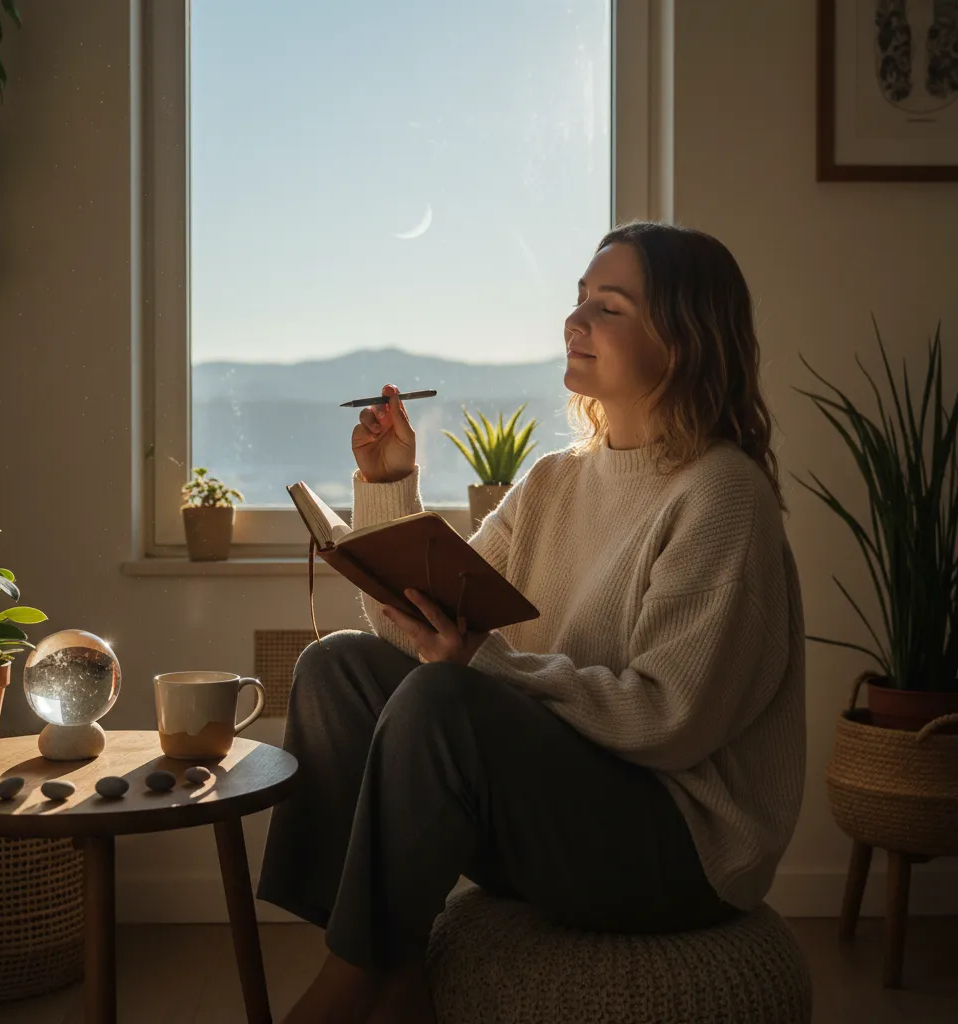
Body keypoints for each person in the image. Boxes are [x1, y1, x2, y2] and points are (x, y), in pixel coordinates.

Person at [257, 221, 806, 1024]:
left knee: (445, 699)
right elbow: (420, 628)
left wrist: (483, 667)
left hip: (675, 849)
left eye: (608, 308)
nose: (574, 324)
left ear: (683, 340)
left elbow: (669, 721)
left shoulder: (720, 495)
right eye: (579, 300)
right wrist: (390, 486)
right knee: (337, 667)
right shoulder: (555, 479)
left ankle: (353, 982)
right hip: (561, 813)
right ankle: (389, 964)